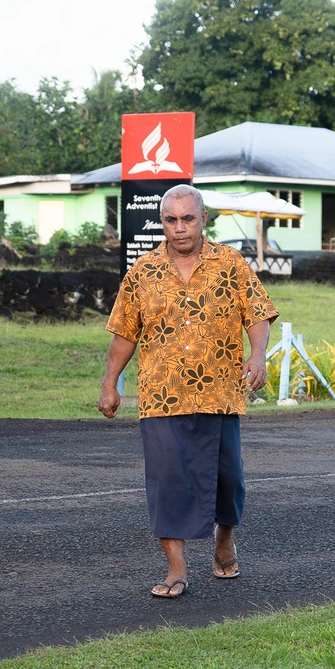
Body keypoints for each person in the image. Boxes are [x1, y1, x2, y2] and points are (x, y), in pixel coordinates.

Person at [98, 184, 277, 598]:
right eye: (170, 220)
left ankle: (224, 539)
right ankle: (176, 566)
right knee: (166, 481)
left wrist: (258, 355)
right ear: (162, 222)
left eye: (188, 219)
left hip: (220, 391)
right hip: (162, 394)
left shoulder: (230, 263)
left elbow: (257, 314)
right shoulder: (142, 272)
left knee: (228, 480)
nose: (179, 228)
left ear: (204, 219)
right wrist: (110, 384)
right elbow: (124, 334)